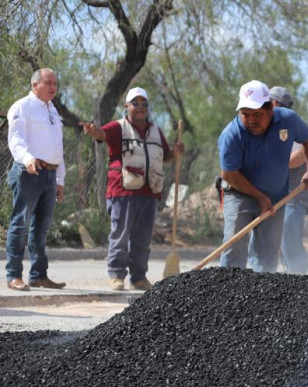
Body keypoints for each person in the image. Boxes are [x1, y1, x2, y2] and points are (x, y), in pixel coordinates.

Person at [80, 87, 183, 291]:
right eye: (135, 103)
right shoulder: (118, 127)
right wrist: (93, 130)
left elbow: (165, 156)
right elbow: (101, 134)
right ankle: (116, 275)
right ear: (127, 106)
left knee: (143, 238)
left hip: (149, 192)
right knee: (120, 234)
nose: (140, 107)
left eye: (144, 104)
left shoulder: (156, 131)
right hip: (123, 191)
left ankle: (138, 277)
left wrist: (175, 152)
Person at [217, 80, 308, 272]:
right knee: (234, 246)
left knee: (267, 254)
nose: (251, 120)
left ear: (270, 108)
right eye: (245, 114)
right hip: (239, 194)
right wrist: (260, 197)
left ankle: (261, 289)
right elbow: (229, 174)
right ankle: (227, 286)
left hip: (276, 197)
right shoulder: (232, 135)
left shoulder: (288, 120)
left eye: (257, 114)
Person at [5, 68, 67, 291]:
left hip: (49, 175)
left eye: (55, 83)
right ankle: (13, 276)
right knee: (20, 224)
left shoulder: (53, 110)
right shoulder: (23, 106)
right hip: (29, 171)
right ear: (35, 85)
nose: (53, 87)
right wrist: (27, 158)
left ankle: (39, 275)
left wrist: (60, 179)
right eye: (48, 83)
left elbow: (58, 147)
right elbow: (16, 138)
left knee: (41, 227)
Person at [270, 86, 308, 274]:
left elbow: (302, 154)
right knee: (279, 243)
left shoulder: (291, 125)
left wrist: (272, 164)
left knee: (290, 242)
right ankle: (290, 278)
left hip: (293, 196)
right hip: (279, 197)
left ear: (274, 103)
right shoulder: (273, 127)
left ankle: (299, 278)